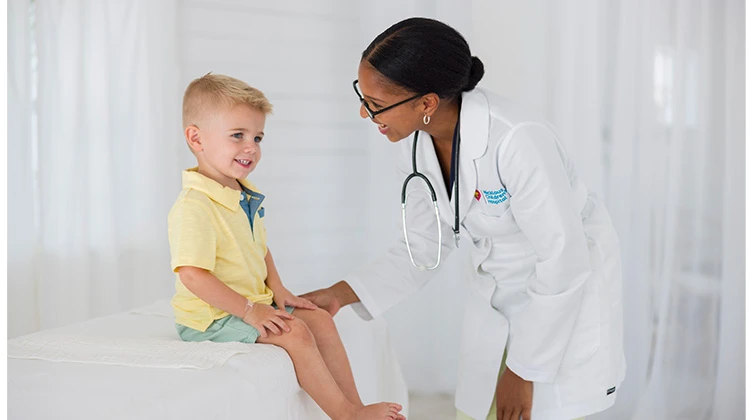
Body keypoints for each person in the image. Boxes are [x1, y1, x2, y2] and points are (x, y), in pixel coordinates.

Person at [301, 18, 626, 420]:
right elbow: (424, 247)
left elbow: (564, 260)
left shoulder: (516, 140)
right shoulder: (415, 144)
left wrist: (523, 371)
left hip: (559, 304)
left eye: (377, 104)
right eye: (363, 96)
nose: (366, 114)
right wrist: (341, 294)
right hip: (496, 299)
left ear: (427, 103)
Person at [168, 73, 405, 420]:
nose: (251, 147)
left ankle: (356, 405)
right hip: (212, 318)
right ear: (196, 138)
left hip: (252, 301)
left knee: (319, 320)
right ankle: (345, 414)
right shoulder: (195, 204)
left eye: (257, 137)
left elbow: (259, 248)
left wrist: (277, 289)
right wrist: (250, 312)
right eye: (238, 136)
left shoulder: (241, 193)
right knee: (295, 333)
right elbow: (192, 275)